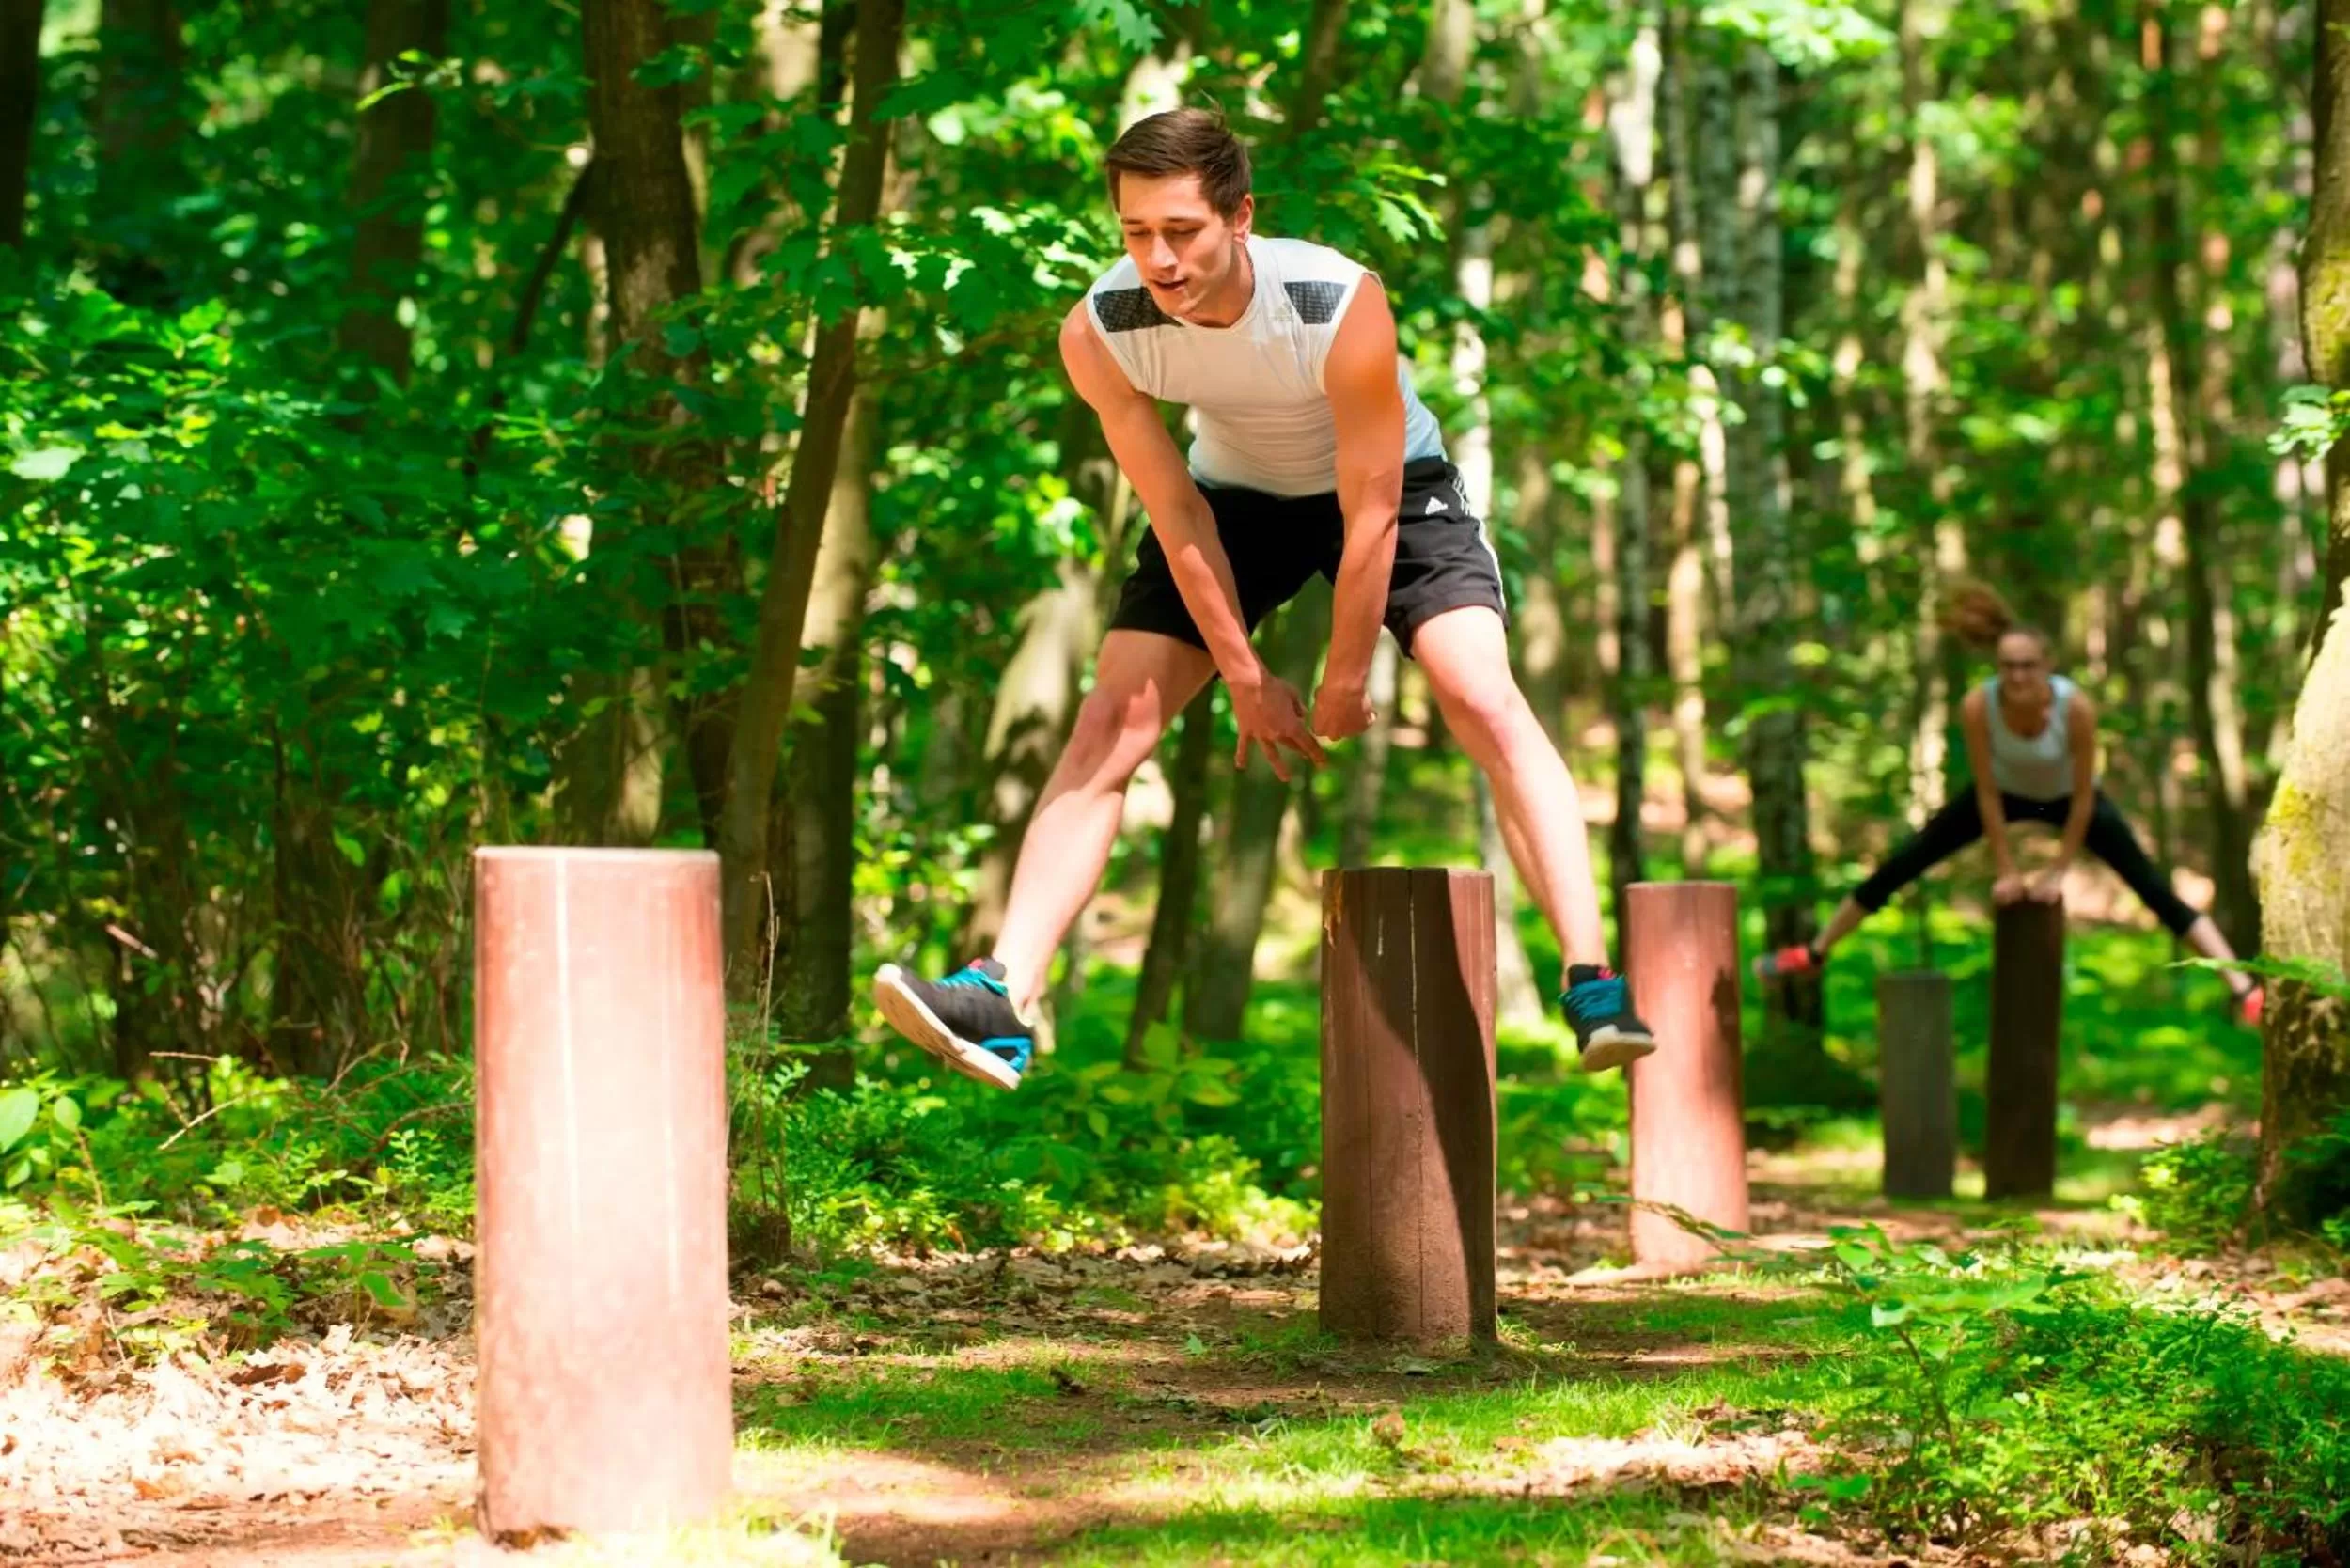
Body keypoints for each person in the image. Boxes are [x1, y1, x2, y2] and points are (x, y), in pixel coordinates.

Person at [870, 108, 1657, 1090]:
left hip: (1391, 491)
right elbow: (1177, 516)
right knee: (1113, 714)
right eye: (1135, 233)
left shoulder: (1335, 301)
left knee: (1478, 692)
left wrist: (1340, 672)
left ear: (1239, 216)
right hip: (1231, 504)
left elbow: (1368, 509)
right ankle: (1003, 995)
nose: (1157, 258)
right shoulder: (1102, 330)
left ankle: (1591, 981)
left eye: (1181, 231)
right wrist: (1244, 678)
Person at [1754, 582, 2263, 1023]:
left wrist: (2058, 871)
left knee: (2154, 890)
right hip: (2003, 795)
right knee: (1903, 863)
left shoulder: (2075, 708)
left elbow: (2085, 795)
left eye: (2027, 666)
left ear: (2047, 666)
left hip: (2068, 801)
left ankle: (2243, 989)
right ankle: (1814, 952)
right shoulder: (1979, 705)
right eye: (2007, 667)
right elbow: (1988, 792)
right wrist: (2007, 870)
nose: (2016, 676)